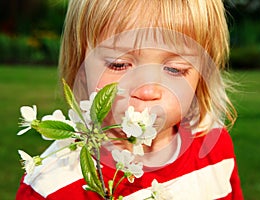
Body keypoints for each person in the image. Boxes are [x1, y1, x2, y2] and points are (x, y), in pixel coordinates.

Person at [16, 0, 243, 199]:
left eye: (175, 69)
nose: (147, 90)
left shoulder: (214, 144)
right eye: (119, 65)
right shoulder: (51, 183)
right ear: (81, 69)